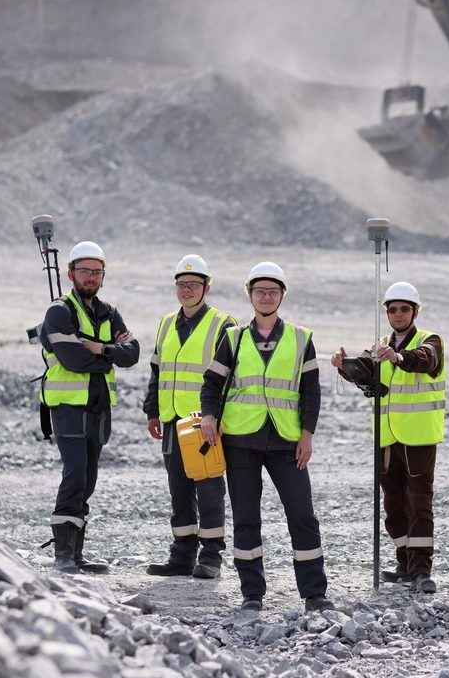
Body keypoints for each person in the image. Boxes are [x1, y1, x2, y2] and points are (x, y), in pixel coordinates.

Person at [199, 261, 333, 613]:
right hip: (241, 439)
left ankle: (314, 593)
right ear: (250, 295)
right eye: (260, 290)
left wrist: (307, 435)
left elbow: (311, 391)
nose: (266, 296)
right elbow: (212, 383)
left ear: (282, 295)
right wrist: (209, 416)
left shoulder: (302, 338)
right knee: (246, 517)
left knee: (302, 514)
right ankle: (252, 594)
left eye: (273, 291)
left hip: (287, 443)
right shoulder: (233, 337)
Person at [330, 281, 445, 594]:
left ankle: (422, 569)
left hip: (418, 436)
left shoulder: (429, 340)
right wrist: (345, 366)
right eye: (392, 309)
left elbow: (425, 359)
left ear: (415, 311)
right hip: (386, 437)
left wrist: (397, 357)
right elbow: (365, 372)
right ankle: (404, 562)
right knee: (394, 503)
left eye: (404, 308)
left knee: (419, 502)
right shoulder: (379, 345)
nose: (397, 314)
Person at [38, 240, 140, 573]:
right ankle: (63, 555)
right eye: (85, 271)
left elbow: (134, 353)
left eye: (97, 272)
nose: (91, 277)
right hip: (68, 406)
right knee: (75, 472)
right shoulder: (59, 311)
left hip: (98, 407)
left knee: (89, 477)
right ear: (70, 274)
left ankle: (76, 553)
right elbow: (72, 358)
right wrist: (110, 354)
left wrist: (99, 348)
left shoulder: (109, 312)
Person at [143, 254, 235, 579]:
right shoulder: (167, 322)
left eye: (194, 284)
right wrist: (152, 409)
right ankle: (182, 555)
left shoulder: (223, 324)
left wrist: (217, 416)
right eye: (182, 284)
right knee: (178, 489)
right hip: (171, 419)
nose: (187, 290)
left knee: (209, 487)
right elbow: (158, 369)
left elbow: (230, 378)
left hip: (203, 421)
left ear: (207, 287)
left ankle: (211, 557)